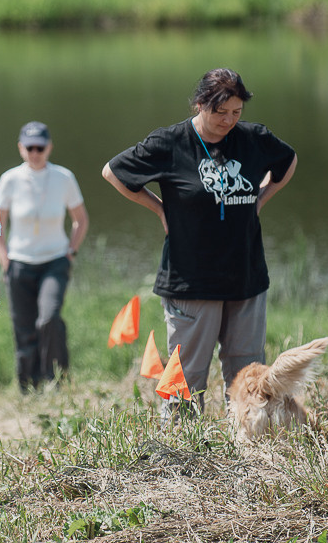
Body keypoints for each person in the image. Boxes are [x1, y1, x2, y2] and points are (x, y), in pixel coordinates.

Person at [101, 68, 297, 419]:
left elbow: (287, 161)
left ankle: (248, 448)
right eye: (220, 112)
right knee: (186, 377)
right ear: (199, 105)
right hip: (191, 279)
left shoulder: (253, 138)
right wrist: (160, 209)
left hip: (245, 275)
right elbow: (113, 171)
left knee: (248, 375)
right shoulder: (170, 143)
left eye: (236, 112)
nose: (228, 120)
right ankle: (181, 455)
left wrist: (261, 198)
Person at [0, 122, 89, 392]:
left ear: (49, 147)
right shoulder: (10, 180)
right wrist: (4, 257)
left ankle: (56, 379)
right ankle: (28, 387)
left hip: (54, 261)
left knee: (48, 319)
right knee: (24, 328)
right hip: (19, 263)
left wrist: (70, 252)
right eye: (29, 147)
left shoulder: (63, 178)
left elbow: (80, 220)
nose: (35, 152)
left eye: (40, 147)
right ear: (20, 148)